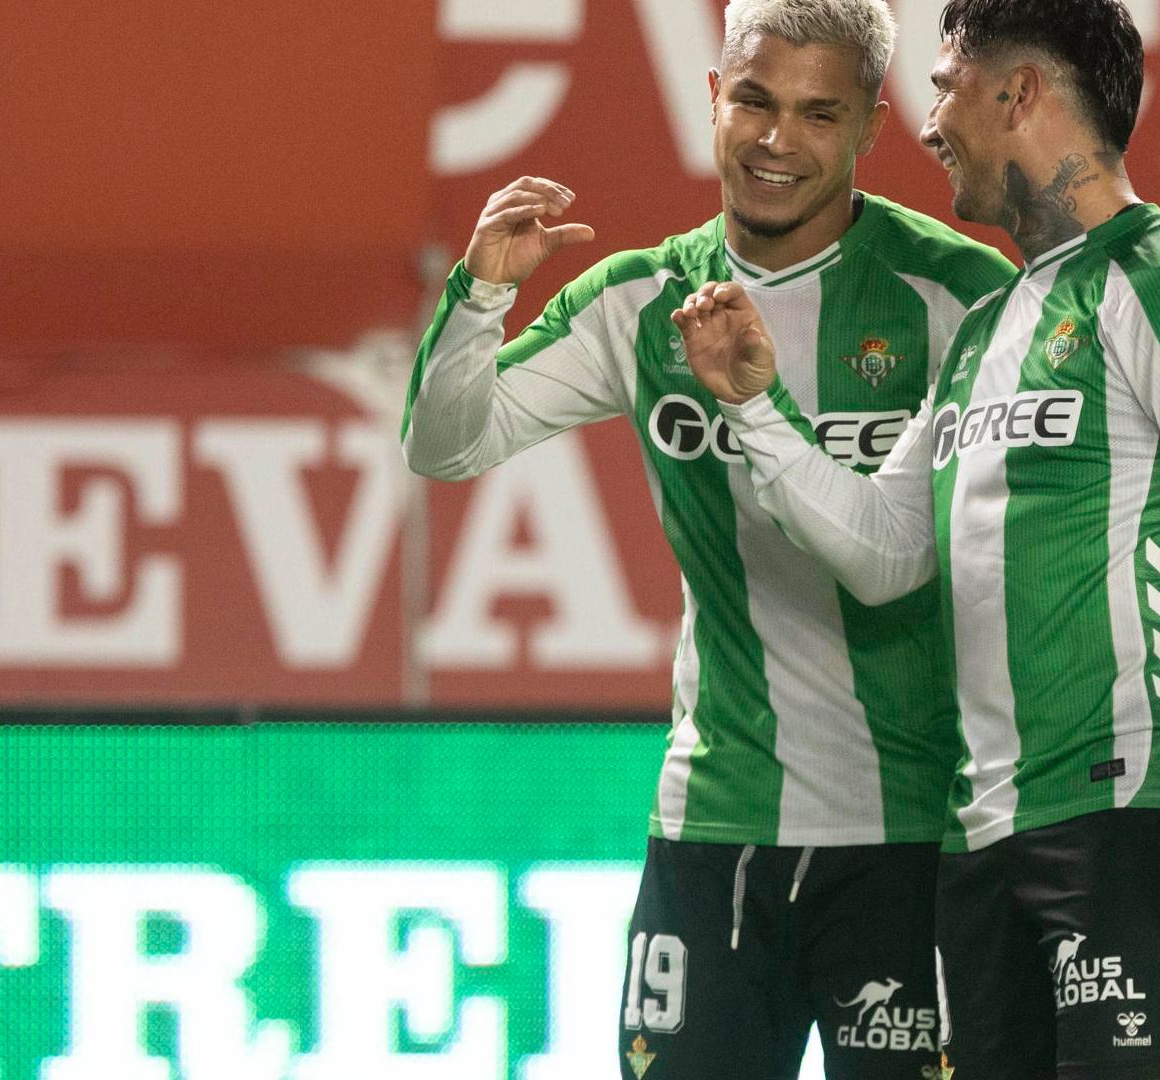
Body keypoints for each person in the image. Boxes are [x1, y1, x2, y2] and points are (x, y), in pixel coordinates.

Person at [673, 1, 1160, 1076]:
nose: (926, 123)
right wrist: (753, 408)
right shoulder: (985, 332)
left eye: (945, 86)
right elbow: (888, 550)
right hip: (978, 845)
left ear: (1018, 94)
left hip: (1135, 821)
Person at [400, 2, 1015, 1076]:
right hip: (717, 821)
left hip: (919, 829)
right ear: (712, 100)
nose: (778, 141)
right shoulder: (641, 299)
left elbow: (897, 564)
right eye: (755, 101)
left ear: (872, 125)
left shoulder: (960, 297)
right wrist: (482, 292)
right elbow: (445, 446)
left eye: (819, 114)